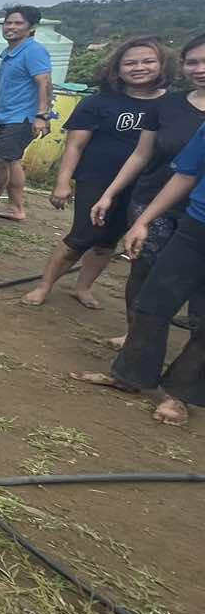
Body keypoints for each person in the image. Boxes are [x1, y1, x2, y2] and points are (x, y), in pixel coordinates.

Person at [21, 37, 171, 309]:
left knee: (107, 241)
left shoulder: (172, 105)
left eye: (148, 61)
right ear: (118, 68)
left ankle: (83, 287)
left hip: (144, 185)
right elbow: (75, 145)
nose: (139, 67)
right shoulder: (100, 102)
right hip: (97, 179)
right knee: (82, 236)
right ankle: (44, 286)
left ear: (162, 65)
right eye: (130, 62)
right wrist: (63, 182)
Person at [73, 119, 205, 426]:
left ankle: (180, 395)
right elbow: (185, 175)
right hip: (196, 227)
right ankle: (129, 375)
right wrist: (143, 221)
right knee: (152, 303)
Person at [89, 33, 205, 349]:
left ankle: (190, 363)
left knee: (195, 285)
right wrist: (109, 193)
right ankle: (136, 338)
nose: (200, 69)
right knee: (144, 272)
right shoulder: (167, 105)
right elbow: (141, 154)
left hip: (198, 211)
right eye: (193, 62)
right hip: (153, 200)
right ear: (182, 66)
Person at [0, 6, 53, 223]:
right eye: (8, 23)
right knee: (12, 161)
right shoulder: (11, 51)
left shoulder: (33, 51)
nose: (11, 27)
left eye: (18, 23)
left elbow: (45, 82)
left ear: (31, 28)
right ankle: (16, 208)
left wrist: (42, 115)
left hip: (22, 117)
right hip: (8, 115)